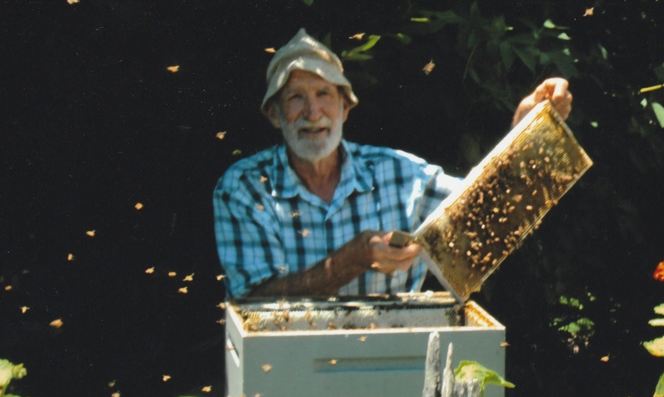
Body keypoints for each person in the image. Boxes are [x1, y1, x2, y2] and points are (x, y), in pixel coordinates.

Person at [214, 28, 572, 299]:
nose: (312, 112)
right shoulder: (245, 188)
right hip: (284, 371)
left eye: (324, 94)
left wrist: (525, 134)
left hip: (393, 361)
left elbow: (486, 213)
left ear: (345, 107)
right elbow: (252, 303)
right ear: (274, 115)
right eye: (295, 97)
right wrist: (350, 260)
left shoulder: (398, 173)